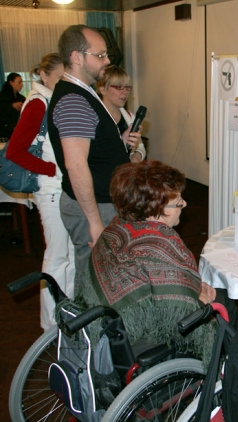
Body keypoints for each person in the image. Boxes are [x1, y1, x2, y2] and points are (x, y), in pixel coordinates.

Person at [78, 160, 238, 360]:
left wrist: (195, 286)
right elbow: (178, 308)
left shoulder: (117, 226)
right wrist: (198, 301)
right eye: (178, 201)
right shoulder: (161, 244)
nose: (184, 204)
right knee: (225, 302)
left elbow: (165, 282)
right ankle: (231, 362)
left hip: (110, 322)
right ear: (156, 209)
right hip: (143, 336)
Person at [48, 25, 142, 290]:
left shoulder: (82, 92)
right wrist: (95, 223)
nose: (107, 60)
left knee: (103, 275)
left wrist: (118, 143)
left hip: (100, 202)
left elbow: (89, 151)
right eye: (100, 55)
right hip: (94, 206)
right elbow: (76, 166)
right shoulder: (74, 100)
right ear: (77, 57)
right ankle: (84, 331)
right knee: (93, 278)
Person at [5, 53, 74, 330]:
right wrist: (49, 170)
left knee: (66, 256)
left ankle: (64, 316)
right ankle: (51, 324)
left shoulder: (48, 101)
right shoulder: (38, 103)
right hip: (51, 190)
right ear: (44, 76)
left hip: (58, 188)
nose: (63, 85)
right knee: (57, 257)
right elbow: (14, 151)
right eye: (59, 79)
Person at [96, 65, 146, 163]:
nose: (125, 92)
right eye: (119, 87)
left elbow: (140, 146)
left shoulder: (130, 117)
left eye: (127, 87)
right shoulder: (94, 118)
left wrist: (137, 155)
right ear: (102, 89)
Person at [0, 72, 26, 139]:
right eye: (19, 82)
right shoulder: (2, 97)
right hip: (4, 132)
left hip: (18, 131)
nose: (22, 84)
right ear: (11, 83)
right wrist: (11, 106)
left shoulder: (21, 98)